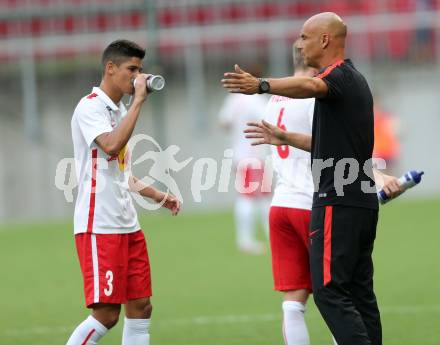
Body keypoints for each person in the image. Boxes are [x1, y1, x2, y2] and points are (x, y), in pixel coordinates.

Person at [223, 12, 402, 345]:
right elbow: (337, 145)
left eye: (305, 36)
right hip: (351, 200)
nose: (300, 42)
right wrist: (288, 137)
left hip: (334, 201)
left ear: (324, 40)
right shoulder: (351, 82)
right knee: (358, 293)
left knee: (330, 292)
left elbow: (310, 85)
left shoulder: (334, 80)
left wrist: (261, 84)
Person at [68, 39, 180, 345]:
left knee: (141, 307)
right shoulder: (90, 106)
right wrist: (139, 102)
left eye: (140, 70)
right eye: (132, 69)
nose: (137, 76)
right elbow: (111, 145)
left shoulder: (118, 109)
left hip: (128, 225)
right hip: (99, 226)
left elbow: (121, 173)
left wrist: (158, 195)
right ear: (110, 68)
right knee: (107, 314)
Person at [218, 66, 271, 254]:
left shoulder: (234, 99)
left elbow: (223, 122)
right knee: (251, 196)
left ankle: (265, 236)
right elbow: (269, 121)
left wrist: (237, 131)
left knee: (260, 195)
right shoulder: (257, 100)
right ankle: (245, 240)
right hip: (254, 155)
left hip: (239, 154)